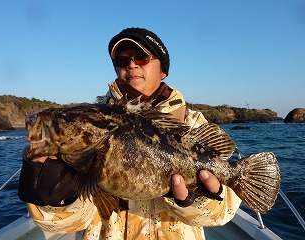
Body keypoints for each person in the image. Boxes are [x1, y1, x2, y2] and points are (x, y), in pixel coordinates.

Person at [18, 27, 241, 239]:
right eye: (123, 61)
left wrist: (194, 202)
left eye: (142, 58)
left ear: (163, 70)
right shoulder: (75, 147)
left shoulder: (192, 124)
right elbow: (68, 225)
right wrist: (57, 199)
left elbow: (221, 214)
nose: (132, 65)